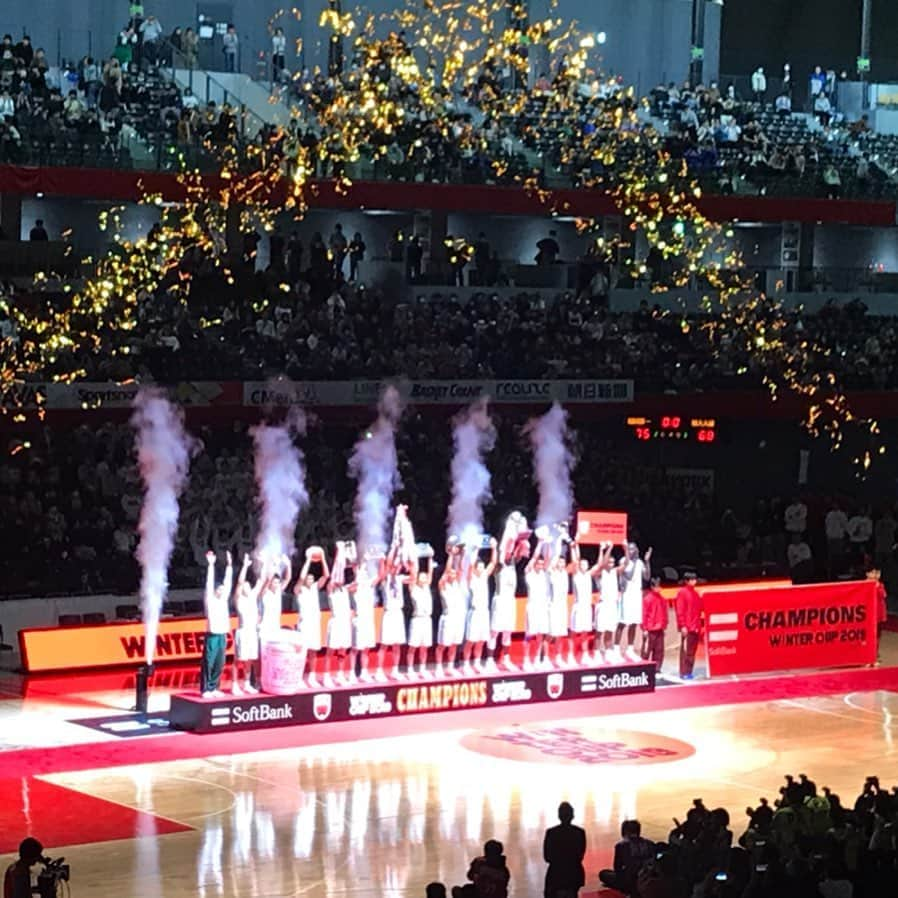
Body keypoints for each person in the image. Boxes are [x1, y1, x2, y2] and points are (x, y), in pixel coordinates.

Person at [294, 547, 329, 688]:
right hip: (304, 625)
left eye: (312, 578)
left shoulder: (315, 588)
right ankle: (299, 677)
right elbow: (301, 577)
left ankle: (311, 677)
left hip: (315, 624)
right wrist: (308, 559)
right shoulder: (299, 590)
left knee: (313, 652)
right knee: (302, 652)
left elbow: (326, 576)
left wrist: (323, 559)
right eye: (308, 578)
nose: (310, 580)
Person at [200, 550, 232, 698]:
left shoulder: (224, 600)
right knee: (209, 662)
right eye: (219, 589)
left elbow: (228, 582)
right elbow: (209, 582)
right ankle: (206, 689)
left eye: (222, 589)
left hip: (222, 635)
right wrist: (211, 565)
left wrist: (230, 565)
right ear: (215, 591)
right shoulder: (211, 600)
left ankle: (215, 687)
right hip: (212, 635)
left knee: (220, 662)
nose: (222, 591)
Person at [463, 538, 497, 674]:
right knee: (471, 640)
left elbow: (493, 563)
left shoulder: (483, 576)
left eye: (483, 567)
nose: (482, 569)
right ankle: (466, 663)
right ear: (476, 569)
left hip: (484, 612)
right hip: (475, 612)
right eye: (480, 567)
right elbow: (470, 566)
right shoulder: (472, 579)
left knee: (481, 640)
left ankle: (477, 662)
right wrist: (476, 550)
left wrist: (494, 548)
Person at [232, 552, 263, 694]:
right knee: (239, 659)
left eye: (248, 586)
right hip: (242, 632)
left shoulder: (252, 597)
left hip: (252, 632)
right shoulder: (240, 600)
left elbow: (262, 580)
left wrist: (262, 563)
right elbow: (239, 583)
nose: (246, 587)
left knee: (250, 659)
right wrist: (244, 566)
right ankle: (234, 684)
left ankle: (246, 683)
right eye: (245, 586)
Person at [599, 819, 655, 895]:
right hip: (648, 879)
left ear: (624, 831)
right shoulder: (650, 843)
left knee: (603, 874)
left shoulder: (621, 845)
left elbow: (617, 867)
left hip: (630, 881)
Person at [376, 547, 408, 681]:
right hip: (388, 614)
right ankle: (379, 670)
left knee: (397, 644)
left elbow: (413, 576)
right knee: (384, 644)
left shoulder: (400, 579)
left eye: (397, 567)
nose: (396, 569)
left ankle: (395, 670)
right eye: (394, 567)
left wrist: (408, 561)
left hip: (398, 614)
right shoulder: (385, 580)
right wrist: (382, 562)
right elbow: (381, 574)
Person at [324, 543, 354, 686]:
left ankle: (340, 674)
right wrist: (339, 554)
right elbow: (336, 572)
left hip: (345, 623)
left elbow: (357, 579)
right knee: (331, 650)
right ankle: (326, 675)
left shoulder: (346, 590)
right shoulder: (331, 589)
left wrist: (350, 557)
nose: (340, 578)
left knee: (343, 651)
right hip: (335, 622)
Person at [543, 801, 586, 898]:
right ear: (572, 816)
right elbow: (580, 856)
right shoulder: (580, 833)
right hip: (574, 874)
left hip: (556, 875)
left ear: (559, 816)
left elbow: (547, 857)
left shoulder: (551, 833)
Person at [350, 554, 383, 682]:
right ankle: (352, 673)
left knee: (366, 649)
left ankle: (364, 672)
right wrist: (363, 561)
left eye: (365, 573)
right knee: (355, 648)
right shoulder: (355, 587)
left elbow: (380, 575)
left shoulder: (369, 585)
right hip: (359, 620)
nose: (364, 574)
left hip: (369, 621)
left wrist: (381, 560)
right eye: (362, 573)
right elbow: (357, 575)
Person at [618, 542, 652, 661]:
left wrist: (647, 561)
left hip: (636, 595)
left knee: (634, 623)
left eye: (634, 549)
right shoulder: (624, 561)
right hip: (626, 595)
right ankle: (617, 650)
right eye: (630, 549)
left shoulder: (639, 562)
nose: (633, 551)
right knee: (623, 623)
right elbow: (629, 575)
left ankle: (630, 649)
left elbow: (647, 577)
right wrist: (628, 555)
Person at [569, 543, 600, 666]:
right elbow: (575, 560)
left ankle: (585, 655)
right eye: (582, 564)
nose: (584, 566)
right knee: (574, 632)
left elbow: (599, 565)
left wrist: (602, 550)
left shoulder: (589, 575)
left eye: (586, 564)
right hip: (578, 607)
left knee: (585, 633)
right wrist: (574, 547)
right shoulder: (576, 575)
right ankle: (571, 656)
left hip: (587, 608)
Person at [435, 561, 465, 678]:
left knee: (454, 645)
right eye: (450, 574)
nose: (452, 575)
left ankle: (450, 667)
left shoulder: (457, 585)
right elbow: (446, 573)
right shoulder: (443, 585)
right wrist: (451, 556)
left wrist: (461, 556)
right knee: (442, 645)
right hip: (447, 618)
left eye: (454, 574)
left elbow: (460, 570)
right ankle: (438, 667)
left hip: (458, 619)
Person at [523, 543, 551, 670]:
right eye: (537, 564)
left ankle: (536, 659)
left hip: (543, 608)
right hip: (532, 608)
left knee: (541, 635)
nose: (540, 566)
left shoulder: (544, 575)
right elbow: (533, 558)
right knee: (529, 635)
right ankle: (526, 660)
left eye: (541, 564)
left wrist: (548, 544)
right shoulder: (529, 574)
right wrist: (539, 543)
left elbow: (548, 559)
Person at [407, 553, 435, 677]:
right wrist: (415, 560)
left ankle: (422, 669)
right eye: (421, 577)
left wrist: (430, 558)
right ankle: (410, 669)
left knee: (424, 647)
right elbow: (413, 574)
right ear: (417, 578)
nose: (424, 579)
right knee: (413, 646)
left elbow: (430, 573)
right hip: (417, 620)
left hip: (427, 620)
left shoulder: (427, 587)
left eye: (425, 577)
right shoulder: (413, 588)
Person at [595, 543, 623, 664]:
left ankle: (608, 652)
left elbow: (625, 564)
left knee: (610, 630)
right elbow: (602, 563)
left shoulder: (614, 572)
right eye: (609, 562)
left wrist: (626, 550)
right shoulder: (602, 572)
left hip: (612, 605)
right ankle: (597, 653)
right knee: (600, 630)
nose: (611, 564)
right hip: (603, 604)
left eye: (613, 562)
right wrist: (609, 548)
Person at [675, 572, 703, 679]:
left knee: (692, 652)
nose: (694, 581)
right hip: (687, 627)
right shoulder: (682, 593)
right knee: (686, 651)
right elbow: (680, 610)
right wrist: (683, 626)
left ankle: (689, 671)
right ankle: (684, 672)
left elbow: (700, 609)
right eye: (691, 579)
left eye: (695, 579)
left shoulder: (696, 594)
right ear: (686, 581)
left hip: (695, 626)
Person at [641, 576, 668, 671]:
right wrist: (644, 629)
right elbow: (644, 614)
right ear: (652, 587)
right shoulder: (647, 599)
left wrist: (664, 626)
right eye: (656, 586)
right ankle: (643, 669)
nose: (658, 588)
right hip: (650, 629)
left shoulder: (663, 599)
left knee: (659, 651)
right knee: (646, 650)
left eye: (659, 586)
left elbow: (665, 614)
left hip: (660, 629)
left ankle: (657, 669)